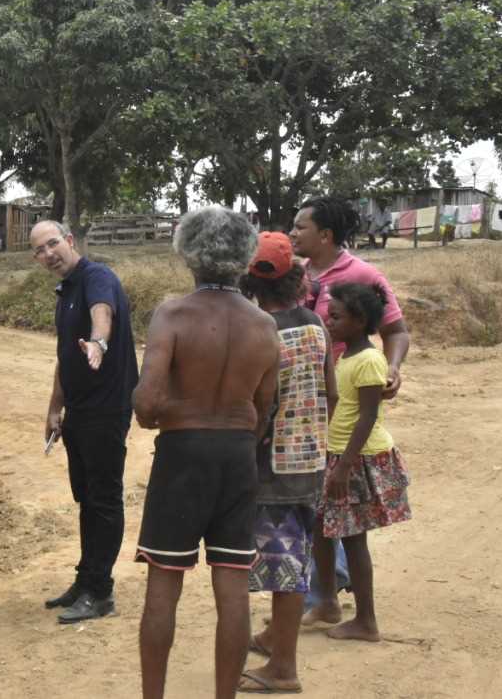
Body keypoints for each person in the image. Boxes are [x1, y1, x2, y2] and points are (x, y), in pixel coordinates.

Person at [132, 206, 280, 699]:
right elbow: (264, 408)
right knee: (233, 584)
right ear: (244, 258)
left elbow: (147, 405)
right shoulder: (264, 325)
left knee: (164, 582)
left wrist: (173, 412)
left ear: (188, 254)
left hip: (182, 453)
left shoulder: (173, 313)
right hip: (237, 454)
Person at [290, 196, 411, 615]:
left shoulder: (362, 274)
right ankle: (324, 591)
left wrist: (392, 369)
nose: (293, 234)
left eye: (300, 227)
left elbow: (396, 330)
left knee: (338, 509)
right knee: (316, 503)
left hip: (345, 410)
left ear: (325, 235)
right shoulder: (297, 275)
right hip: (303, 404)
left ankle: (331, 590)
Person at [238, 232, 338, 695]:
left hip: (271, 470)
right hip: (310, 463)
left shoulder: (260, 332)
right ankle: (276, 641)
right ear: (296, 279)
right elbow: (331, 395)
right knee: (294, 560)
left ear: (251, 282)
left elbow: (258, 406)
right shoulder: (318, 327)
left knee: (283, 569)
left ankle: (284, 669)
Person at [30, 219, 138, 624]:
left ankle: (101, 591)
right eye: (39, 250)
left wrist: (98, 342)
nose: (48, 254)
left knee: (104, 500)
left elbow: (102, 313)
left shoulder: (96, 277)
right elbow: (64, 357)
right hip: (79, 411)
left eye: (53, 243)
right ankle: (86, 579)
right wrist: (55, 408)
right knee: (87, 499)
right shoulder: (65, 291)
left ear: (70, 240)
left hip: (107, 410)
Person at [312, 282, 413, 642]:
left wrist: (342, 467)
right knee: (321, 530)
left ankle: (366, 621)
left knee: (353, 539)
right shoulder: (347, 355)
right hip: (338, 455)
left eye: (336, 316)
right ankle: (326, 601)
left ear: (359, 321)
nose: (329, 321)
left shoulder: (370, 360)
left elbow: (368, 417)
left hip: (356, 460)